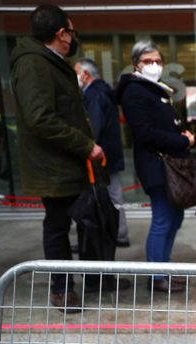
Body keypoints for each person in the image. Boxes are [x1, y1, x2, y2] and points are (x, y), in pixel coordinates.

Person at [10, 5, 128, 313]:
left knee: (92, 221)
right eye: (71, 32)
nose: (73, 39)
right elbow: (40, 119)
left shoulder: (52, 61)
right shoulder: (34, 64)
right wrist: (86, 145)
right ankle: (62, 290)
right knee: (58, 227)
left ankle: (97, 278)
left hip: (71, 164)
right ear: (62, 33)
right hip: (55, 168)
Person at [116, 40, 195, 294]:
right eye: (148, 61)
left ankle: (164, 270)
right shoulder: (134, 91)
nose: (154, 65)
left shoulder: (157, 89)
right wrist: (182, 140)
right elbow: (145, 132)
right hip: (156, 165)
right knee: (162, 219)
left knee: (176, 216)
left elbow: (162, 125)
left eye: (158, 61)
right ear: (136, 64)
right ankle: (156, 275)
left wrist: (181, 132)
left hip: (170, 164)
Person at [75, 58, 130, 247]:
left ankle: (114, 234)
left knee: (106, 197)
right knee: (113, 195)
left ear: (85, 74)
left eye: (76, 71)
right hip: (107, 154)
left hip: (100, 156)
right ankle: (118, 233)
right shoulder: (101, 91)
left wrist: (86, 148)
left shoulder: (95, 94)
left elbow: (94, 127)